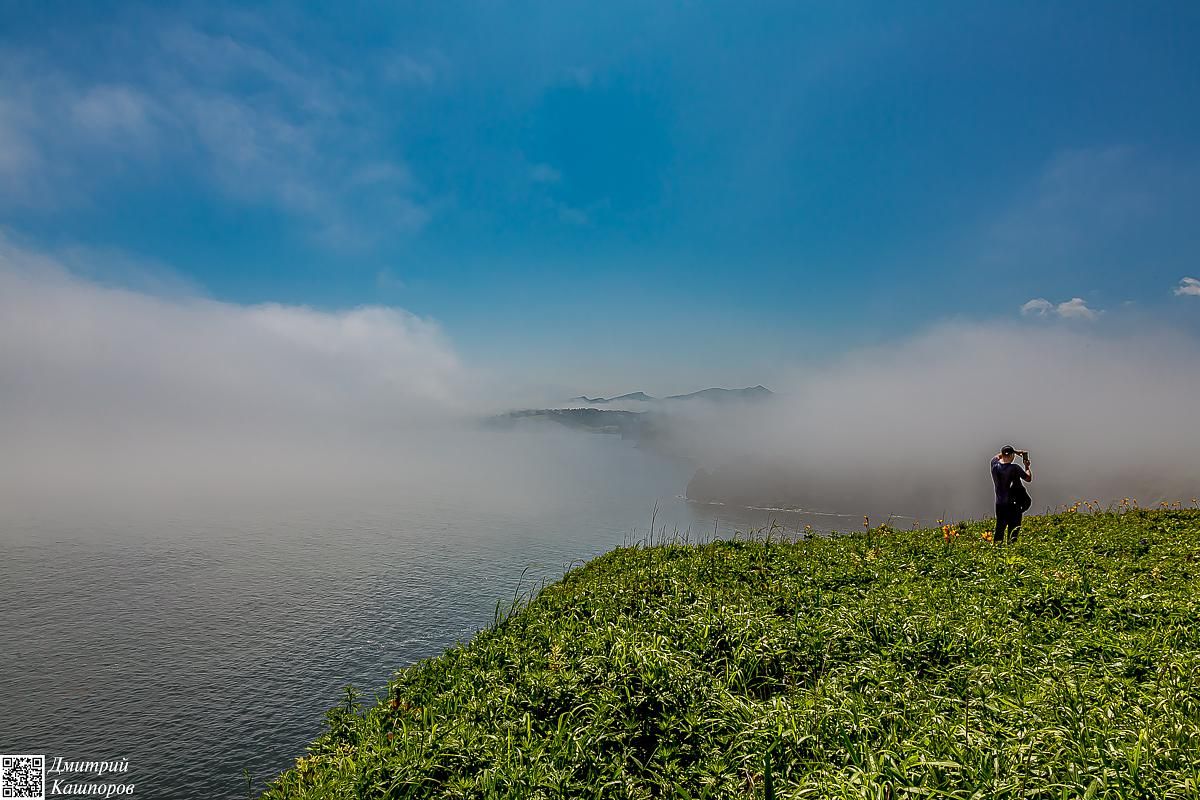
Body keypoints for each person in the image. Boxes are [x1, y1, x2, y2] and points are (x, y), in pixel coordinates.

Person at [990, 445, 1032, 543]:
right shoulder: (1014, 468)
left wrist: (1013, 452)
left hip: (1000, 504)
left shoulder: (994, 465)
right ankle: (1011, 547)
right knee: (1013, 530)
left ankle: (997, 548)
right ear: (1012, 456)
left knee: (1000, 529)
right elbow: (1028, 478)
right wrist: (1027, 466)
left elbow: (998, 456)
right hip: (1013, 505)